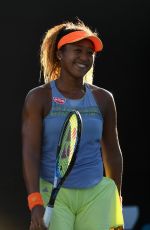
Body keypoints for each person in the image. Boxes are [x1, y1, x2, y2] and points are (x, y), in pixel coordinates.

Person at [22, 18, 124, 230]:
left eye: (90, 53)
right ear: (60, 54)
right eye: (77, 50)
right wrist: (35, 202)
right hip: (53, 194)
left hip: (96, 195)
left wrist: (116, 198)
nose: (85, 58)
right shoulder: (39, 97)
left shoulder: (104, 99)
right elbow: (30, 152)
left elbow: (112, 151)